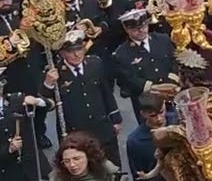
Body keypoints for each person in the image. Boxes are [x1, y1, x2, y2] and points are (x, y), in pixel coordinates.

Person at [41, 30, 122, 167]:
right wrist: (48, 84)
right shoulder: (55, 73)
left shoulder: (95, 64)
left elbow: (106, 93)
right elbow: (46, 104)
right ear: (62, 53)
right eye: (71, 51)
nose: (76, 54)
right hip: (75, 132)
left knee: (112, 166)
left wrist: (116, 119)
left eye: (79, 49)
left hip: (101, 127)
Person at [126, 92, 168, 179]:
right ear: (143, 114)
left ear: (164, 104)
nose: (159, 118)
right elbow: (138, 174)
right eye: (153, 115)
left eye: (161, 112)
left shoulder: (178, 122)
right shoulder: (135, 142)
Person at [51, 132, 117, 181]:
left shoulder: (106, 169)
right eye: (66, 161)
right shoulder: (57, 177)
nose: (72, 164)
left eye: (76, 159)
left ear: (88, 156)